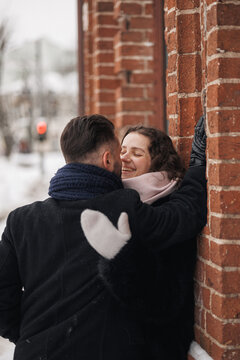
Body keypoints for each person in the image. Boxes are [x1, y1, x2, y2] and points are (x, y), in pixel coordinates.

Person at [0, 114, 207, 360]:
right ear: (108, 160)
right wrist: (196, 164)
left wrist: (31, 335)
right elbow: (182, 216)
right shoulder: (123, 206)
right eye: (120, 153)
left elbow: (3, 302)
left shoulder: (21, 221)